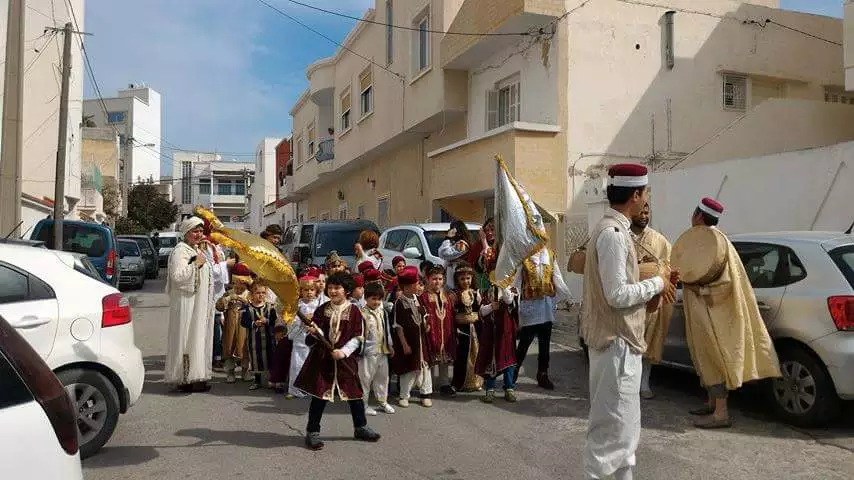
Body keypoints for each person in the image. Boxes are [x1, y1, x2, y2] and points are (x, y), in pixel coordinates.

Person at [580, 163, 676, 480]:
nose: (646, 200)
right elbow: (617, 294)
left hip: (621, 345)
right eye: (645, 193)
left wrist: (650, 299)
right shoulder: (613, 235)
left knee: (625, 436)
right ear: (635, 195)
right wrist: (658, 283)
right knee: (609, 438)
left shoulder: (615, 231)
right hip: (616, 347)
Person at [682, 198, 780, 429]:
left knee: (715, 358)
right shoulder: (705, 241)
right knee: (704, 357)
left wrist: (700, 289)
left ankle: (720, 414)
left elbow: (725, 285)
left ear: (697, 216)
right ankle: (711, 402)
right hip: (702, 311)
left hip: (713, 313)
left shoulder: (718, 243)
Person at [293, 273, 381, 450]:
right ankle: (312, 431)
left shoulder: (355, 311)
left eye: (337, 288)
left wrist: (344, 351)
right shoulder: (323, 309)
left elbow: (358, 336)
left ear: (347, 290)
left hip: (345, 361)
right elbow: (317, 330)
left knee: (355, 395)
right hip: (323, 360)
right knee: (319, 396)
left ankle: (361, 427)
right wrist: (313, 329)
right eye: (330, 288)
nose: (332, 291)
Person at [165, 216, 217, 393]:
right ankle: (185, 378)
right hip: (187, 303)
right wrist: (196, 264)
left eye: (201, 231)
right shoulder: (181, 251)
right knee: (187, 338)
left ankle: (197, 376)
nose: (199, 234)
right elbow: (177, 276)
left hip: (198, 303)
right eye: (195, 231)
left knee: (198, 337)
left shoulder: (194, 248)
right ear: (186, 233)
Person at [629, 202, 673, 400]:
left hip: (651, 302)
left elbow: (668, 268)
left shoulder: (659, 240)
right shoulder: (621, 236)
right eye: (641, 212)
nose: (644, 216)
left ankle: (644, 383)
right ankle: (628, 384)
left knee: (647, 344)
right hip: (628, 300)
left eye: (647, 212)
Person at [512, 245, 571, 390]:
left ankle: (543, 374)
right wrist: (510, 298)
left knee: (545, 345)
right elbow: (516, 282)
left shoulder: (550, 255)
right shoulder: (524, 256)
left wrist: (567, 296)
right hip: (531, 308)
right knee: (524, 343)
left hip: (546, 306)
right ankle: (512, 372)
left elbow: (557, 277)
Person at [391, 266, 433, 408]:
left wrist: (426, 325)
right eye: (416, 284)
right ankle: (404, 396)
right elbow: (398, 326)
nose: (419, 286)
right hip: (409, 342)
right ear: (407, 287)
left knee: (424, 367)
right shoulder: (399, 303)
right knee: (408, 369)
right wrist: (404, 344)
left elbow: (424, 317)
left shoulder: (418, 299)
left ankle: (425, 394)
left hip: (421, 341)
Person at [476, 283, 518, 403]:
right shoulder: (485, 291)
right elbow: (481, 312)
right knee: (491, 361)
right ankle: (490, 390)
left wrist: (505, 286)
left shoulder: (511, 290)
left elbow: (509, 301)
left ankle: (509, 389)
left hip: (506, 334)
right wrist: (490, 307)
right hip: (490, 335)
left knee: (508, 362)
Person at [360, 282, 396, 415]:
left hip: (382, 351)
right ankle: (363, 405)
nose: (376, 302)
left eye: (379, 299)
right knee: (365, 379)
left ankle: (382, 402)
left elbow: (387, 330)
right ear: (366, 298)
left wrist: (390, 345)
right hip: (367, 353)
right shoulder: (361, 314)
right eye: (373, 298)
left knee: (383, 378)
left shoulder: (383, 313)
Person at [420, 264, 457, 396]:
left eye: (440, 279)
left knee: (444, 360)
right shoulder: (423, 296)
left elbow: (451, 315)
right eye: (434, 278)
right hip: (431, 332)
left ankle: (444, 384)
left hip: (446, 332)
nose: (438, 282)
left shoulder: (447, 296)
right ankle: (427, 386)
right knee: (429, 360)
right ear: (428, 279)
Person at [202, 222, 233, 370]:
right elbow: (210, 270)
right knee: (215, 324)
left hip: (219, 290)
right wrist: (227, 264)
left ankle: (219, 354)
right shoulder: (205, 246)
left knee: (219, 324)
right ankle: (215, 357)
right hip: (211, 291)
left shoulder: (217, 246)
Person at [215, 263, 253, 383]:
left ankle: (244, 370)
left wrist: (245, 302)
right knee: (229, 348)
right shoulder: (228, 294)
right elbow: (219, 306)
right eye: (237, 287)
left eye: (242, 287)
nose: (239, 289)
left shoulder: (250, 295)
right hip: (230, 327)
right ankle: (230, 372)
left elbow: (255, 307)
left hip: (244, 328)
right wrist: (226, 300)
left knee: (245, 348)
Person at [451, 262, 483, 393]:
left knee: (476, 355)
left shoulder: (476, 294)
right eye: (462, 279)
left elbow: (480, 312)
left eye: (468, 278)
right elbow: (451, 314)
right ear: (457, 280)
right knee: (461, 356)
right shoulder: (454, 295)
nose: (466, 281)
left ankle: (475, 382)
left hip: (475, 328)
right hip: (461, 329)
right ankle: (458, 383)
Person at [241, 282, 277, 390]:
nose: (260, 295)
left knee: (270, 357)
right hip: (254, 339)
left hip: (268, 338)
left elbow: (274, 321)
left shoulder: (270, 307)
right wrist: (253, 324)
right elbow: (243, 322)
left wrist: (267, 321)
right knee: (255, 358)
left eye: (263, 293)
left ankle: (271, 379)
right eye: (257, 293)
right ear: (252, 294)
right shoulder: (247, 308)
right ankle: (257, 380)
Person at [438, 219, 474, 289]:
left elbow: (444, 254)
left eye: (452, 229)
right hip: (452, 281)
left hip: (459, 280)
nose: (450, 231)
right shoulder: (454, 243)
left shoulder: (462, 244)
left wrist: (447, 238)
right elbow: (441, 253)